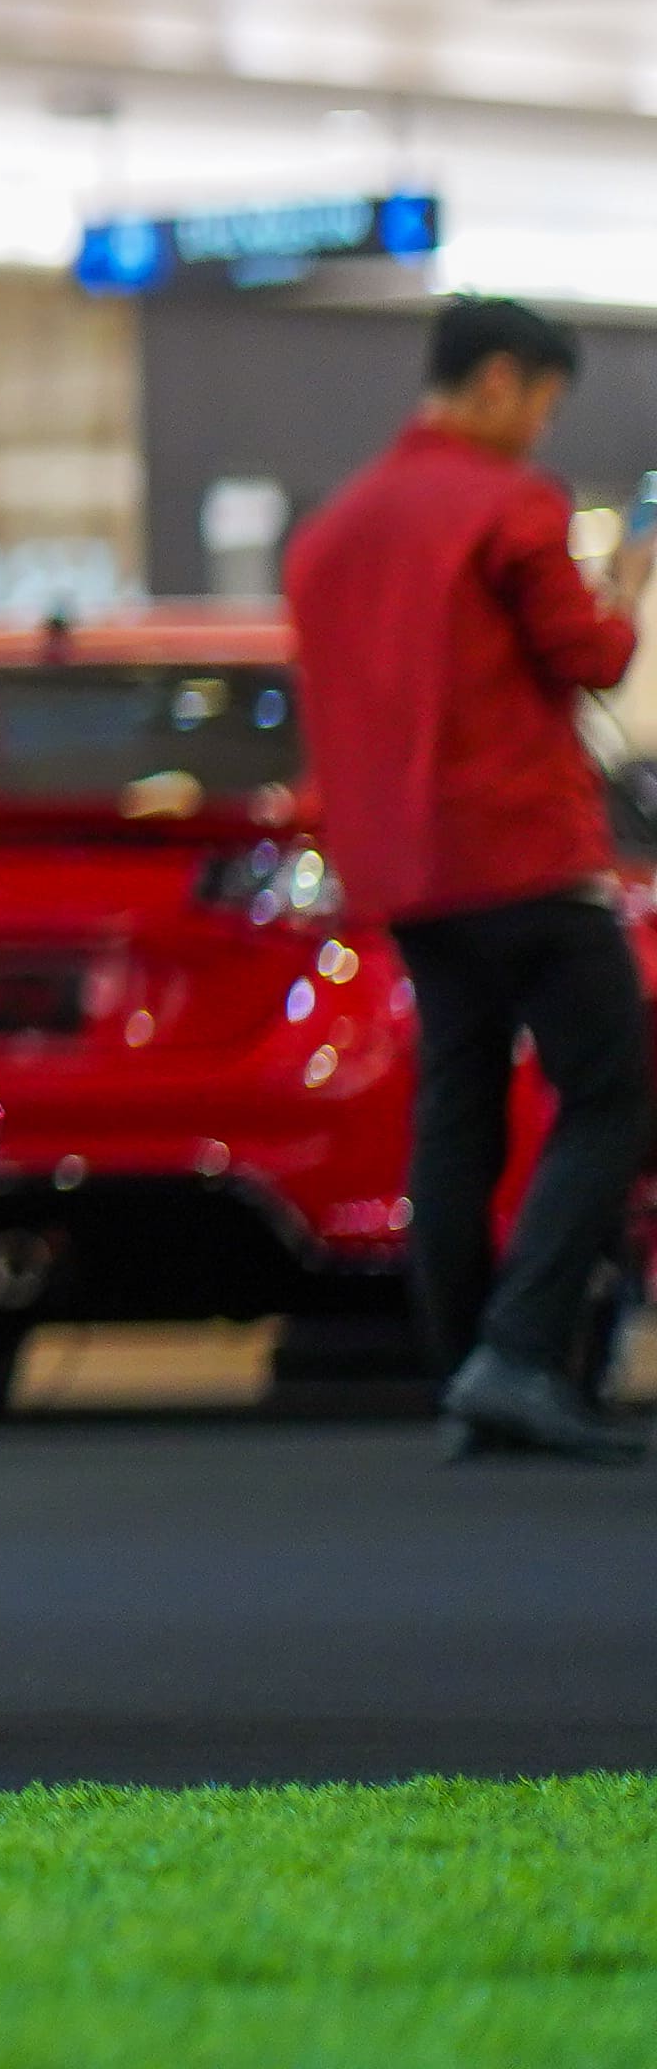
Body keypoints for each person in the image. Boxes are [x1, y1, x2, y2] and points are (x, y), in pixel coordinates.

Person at [282, 296, 657, 1463]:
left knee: (458, 1106)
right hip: (526, 856)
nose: (539, 427)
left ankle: (464, 1372)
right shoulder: (510, 505)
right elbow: (587, 657)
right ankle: (522, 1349)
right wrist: (630, 583)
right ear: (500, 379)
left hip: (408, 870)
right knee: (615, 1090)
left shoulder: (331, 533)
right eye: (541, 400)